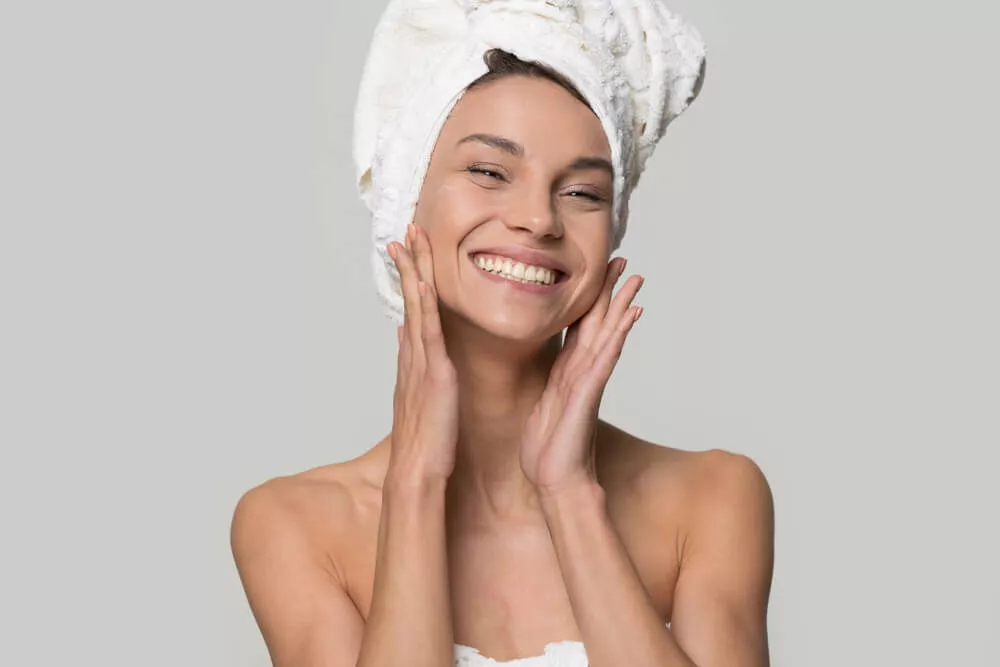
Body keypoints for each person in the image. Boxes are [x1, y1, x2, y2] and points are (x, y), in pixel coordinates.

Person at [231, 2, 774, 666]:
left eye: (583, 192)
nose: (538, 219)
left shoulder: (714, 499)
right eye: (489, 172)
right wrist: (416, 483)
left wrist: (569, 494)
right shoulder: (296, 525)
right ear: (405, 198)